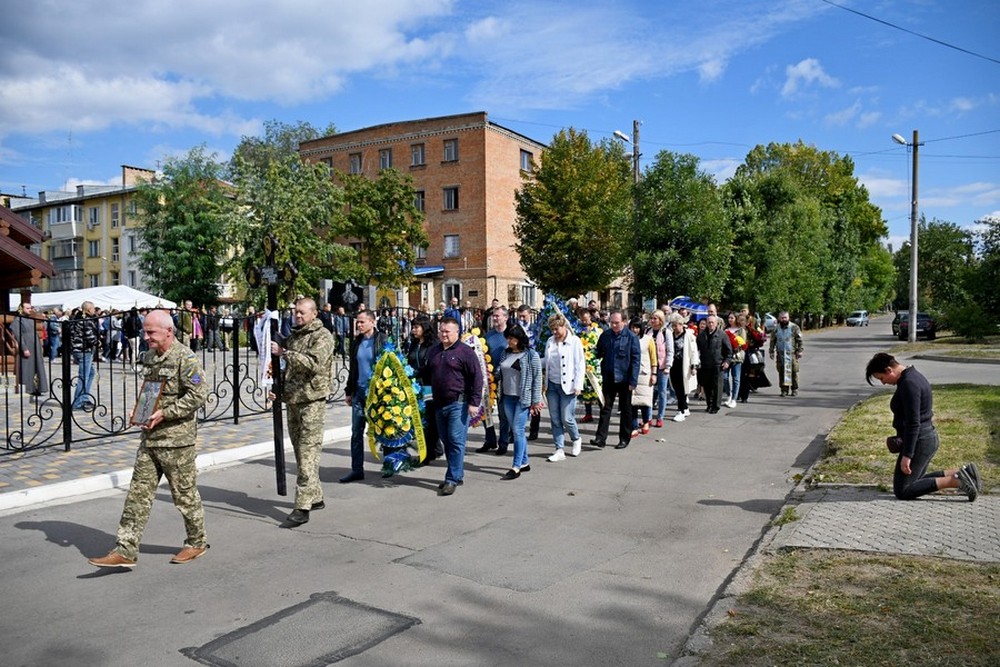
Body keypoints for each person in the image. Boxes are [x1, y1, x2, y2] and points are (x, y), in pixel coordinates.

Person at [87, 309, 210, 568]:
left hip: (177, 442)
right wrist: (140, 409)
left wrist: (166, 413)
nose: (146, 337)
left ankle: (196, 542)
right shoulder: (151, 357)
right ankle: (125, 549)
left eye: (151, 332)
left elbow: (198, 395)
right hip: (150, 438)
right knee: (137, 495)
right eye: (145, 331)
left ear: (169, 331)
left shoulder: (185, 358)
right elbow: (152, 391)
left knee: (184, 496)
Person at [865, 353, 982, 501]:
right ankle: (963, 473)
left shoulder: (909, 383)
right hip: (925, 437)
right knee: (915, 482)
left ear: (889, 370)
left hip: (920, 440)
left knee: (904, 490)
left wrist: (907, 455)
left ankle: (958, 481)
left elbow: (913, 422)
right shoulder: (912, 376)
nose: (883, 383)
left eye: (881, 378)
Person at [270, 297, 335, 526]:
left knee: (308, 453)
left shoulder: (322, 336)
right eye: (296, 312)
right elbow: (288, 368)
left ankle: (301, 507)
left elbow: (313, 363)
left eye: (302, 312)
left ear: (314, 314)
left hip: (312, 401)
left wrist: (285, 353)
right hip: (294, 400)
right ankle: (315, 497)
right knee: (300, 452)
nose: (298, 316)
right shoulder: (294, 335)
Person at [427, 317, 483, 496]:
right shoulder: (434, 351)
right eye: (441, 331)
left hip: (458, 403)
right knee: (446, 440)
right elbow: (427, 373)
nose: (444, 334)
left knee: (455, 440)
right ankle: (457, 474)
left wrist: (474, 402)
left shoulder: (465, 352)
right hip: (439, 403)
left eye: (447, 331)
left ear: (456, 333)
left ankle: (451, 479)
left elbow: (477, 377)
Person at [343, 310, 386, 483]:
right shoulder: (356, 342)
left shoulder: (382, 340)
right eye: (357, 322)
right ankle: (357, 469)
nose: (359, 325)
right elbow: (353, 368)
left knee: (384, 430)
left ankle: (389, 465)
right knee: (356, 431)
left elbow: (391, 364)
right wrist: (348, 391)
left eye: (362, 322)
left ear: (372, 322)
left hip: (378, 393)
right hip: (359, 393)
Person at [590, 310, 641, 450]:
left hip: (625, 379)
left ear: (623, 322)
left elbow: (636, 360)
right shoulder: (606, 335)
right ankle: (600, 438)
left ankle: (624, 438)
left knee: (626, 410)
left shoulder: (631, 337)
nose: (613, 325)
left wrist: (633, 381)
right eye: (612, 322)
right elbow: (598, 351)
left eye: (617, 323)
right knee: (605, 408)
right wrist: (589, 353)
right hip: (609, 377)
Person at [498, 324, 543, 478]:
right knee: (518, 431)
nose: (508, 341)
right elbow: (501, 371)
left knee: (517, 430)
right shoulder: (505, 353)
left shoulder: (531, 355)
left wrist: (536, 401)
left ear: (519, 339)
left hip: (522, 398)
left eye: (511, 338)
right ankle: (524, 462)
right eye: (508, 338)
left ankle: (516, 466)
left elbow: (537, 378)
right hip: (507, 397)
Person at [544, 312, 585, 461]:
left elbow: (580, 364)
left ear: (564, 326)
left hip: (568, 385)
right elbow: (547, 362)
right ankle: (559, 449)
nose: (555, 332)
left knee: (567, 418)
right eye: (552, 329)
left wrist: (578, 384)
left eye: (557, 329)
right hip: (552, 385)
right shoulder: (550, 341)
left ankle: (576, 438)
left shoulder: (574, 341)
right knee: (555, 418)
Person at [405, 315, 442, 460]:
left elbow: (433, 365)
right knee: (420, 419)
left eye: (416, 327)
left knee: (429, 419)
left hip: (429, 386)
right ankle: (435, 448)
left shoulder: (433, 345)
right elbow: (410, 360)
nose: (413, 330)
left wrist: (419, 371)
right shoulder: (414, 344)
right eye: (413, 327)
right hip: (415, 386)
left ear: (424, 328)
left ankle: (428, 452)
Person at [477, 306, 512, 455]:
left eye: (498, 316)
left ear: (506, 317)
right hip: (489, 378)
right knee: (486, 410)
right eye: (494, 316)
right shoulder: (488, 336)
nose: (495, 318)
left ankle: (503, 442)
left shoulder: (511, 335)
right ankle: (490, 439)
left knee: (504, 412)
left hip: (506, 378)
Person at [696, 315, 733, 414]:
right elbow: (697, 350)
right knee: (707, 386)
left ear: (716, 323)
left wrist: (727, 361)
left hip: (718, 364)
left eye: (713, 322)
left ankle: (716, 406)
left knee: (717, 387)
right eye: (709, 322)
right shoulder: (701, 336)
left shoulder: (722, 335)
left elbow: (729, 351)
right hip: (705, 365)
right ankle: (709, 405)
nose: (711, 324)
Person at [629, 317, 658, 437]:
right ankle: (634, 426)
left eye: (637, 327)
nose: (635, 330)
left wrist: (654, 373)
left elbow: (653, 358)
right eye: (633, 327)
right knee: (632, 403)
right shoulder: (628, 339)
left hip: (645, 374)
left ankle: (646, 422)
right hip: (631, 374)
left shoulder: (648, 339)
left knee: (644, 401)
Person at [668, 312, 699, 422]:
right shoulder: (671, 335)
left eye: (676, 325)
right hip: (673, 365)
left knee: (682, 388)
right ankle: (685, 408)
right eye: (673, 325)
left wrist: (694, 365)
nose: (675, 327)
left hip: (684, 365)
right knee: (677, 388)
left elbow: (694, 351)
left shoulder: (689, 335)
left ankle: (681, 410)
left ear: (681, 324)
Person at [13, 302, 47, 397]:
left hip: (35, 345)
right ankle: (29, 388)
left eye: (30, 308)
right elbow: (18, 335)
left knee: (37, 367)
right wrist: (24, 348)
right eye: (27, 308)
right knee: (28, 367)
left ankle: (38, 388)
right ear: (21, 309)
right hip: (27, 345)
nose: (30, 310)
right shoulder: (18, 320)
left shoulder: (30, 319)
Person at [70, 301, 100, 410]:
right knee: (84, 376)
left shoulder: (77, 318)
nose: (94, 310)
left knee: (91, 373)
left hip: (79, 350)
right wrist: (98, 342)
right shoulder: (85, 320)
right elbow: (89, 336)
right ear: (88, 310)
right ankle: (78, 403)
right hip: (83, 350)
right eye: (93, 308)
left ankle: (84, 398)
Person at [647, 310, 673, 428]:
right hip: (650, 366)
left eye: (655, 318)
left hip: (662, 367)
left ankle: (660, 417)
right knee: (649, 392)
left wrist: (668, 366)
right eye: (651, 318)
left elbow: (670, 351)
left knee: (662, 392)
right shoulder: (648, 332)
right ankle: (648, 417)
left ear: (660, 320)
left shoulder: (666, 332)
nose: (652, 320)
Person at [769, 311, 804, 396]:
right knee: (781, 371)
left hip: (791, 353)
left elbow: (800, 340)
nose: (783, 319)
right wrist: (771, 351)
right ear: (779, 318)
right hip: (780, 354)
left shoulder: (794, 327)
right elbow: (772, 340)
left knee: (794, 371)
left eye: (785, 317)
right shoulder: (776, 328)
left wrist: (800, 350)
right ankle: (784, 389)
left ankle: (794, 389)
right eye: (782, 318)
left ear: (788, 318)